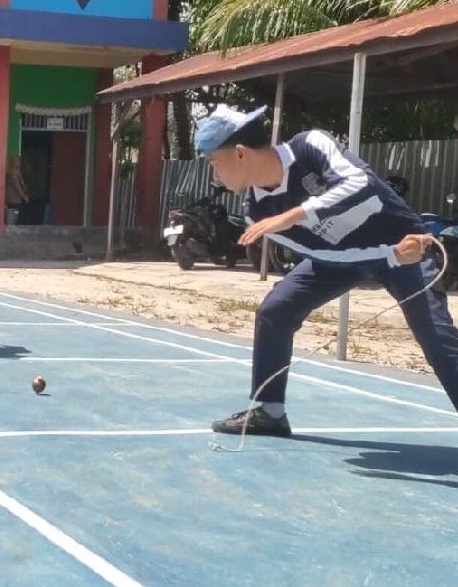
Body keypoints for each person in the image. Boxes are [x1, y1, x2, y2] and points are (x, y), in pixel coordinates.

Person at [195, 106, 458, 436]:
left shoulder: (309, 146)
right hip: (348, 258)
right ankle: (269, 411)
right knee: (275, 311)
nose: (215, 175)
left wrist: (295, 214)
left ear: (240, 154)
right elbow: (322, 253)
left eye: (214, 163)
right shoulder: (255, 210)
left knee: (436, 337)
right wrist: (389, 257)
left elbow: (359, 183)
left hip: (407, 244)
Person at [6, 155, 29, 225]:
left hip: (16, 200)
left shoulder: (17, 172)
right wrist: (24, 196)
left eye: (19, 160)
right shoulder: (13, 172)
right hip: (14, 200)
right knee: (14, 220)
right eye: (16, 160)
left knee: (17, 218)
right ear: (12, 162)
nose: (18, 162)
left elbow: (22, 185)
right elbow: (17, 187)